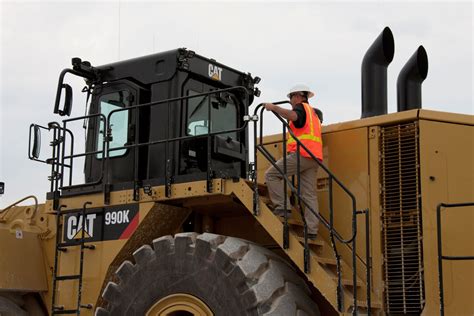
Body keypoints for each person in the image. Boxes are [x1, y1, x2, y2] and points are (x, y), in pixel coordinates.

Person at [264, 84, 323, 240]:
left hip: (301, 154)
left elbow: (293, 116)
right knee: (309, 195)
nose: (290, 101)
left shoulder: (301, 108)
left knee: (271, 174)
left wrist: (274, 108)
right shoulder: (314, 114)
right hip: (314, 157)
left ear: (297, 96)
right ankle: (311, 230)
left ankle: (283, 208)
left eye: (290, 98)